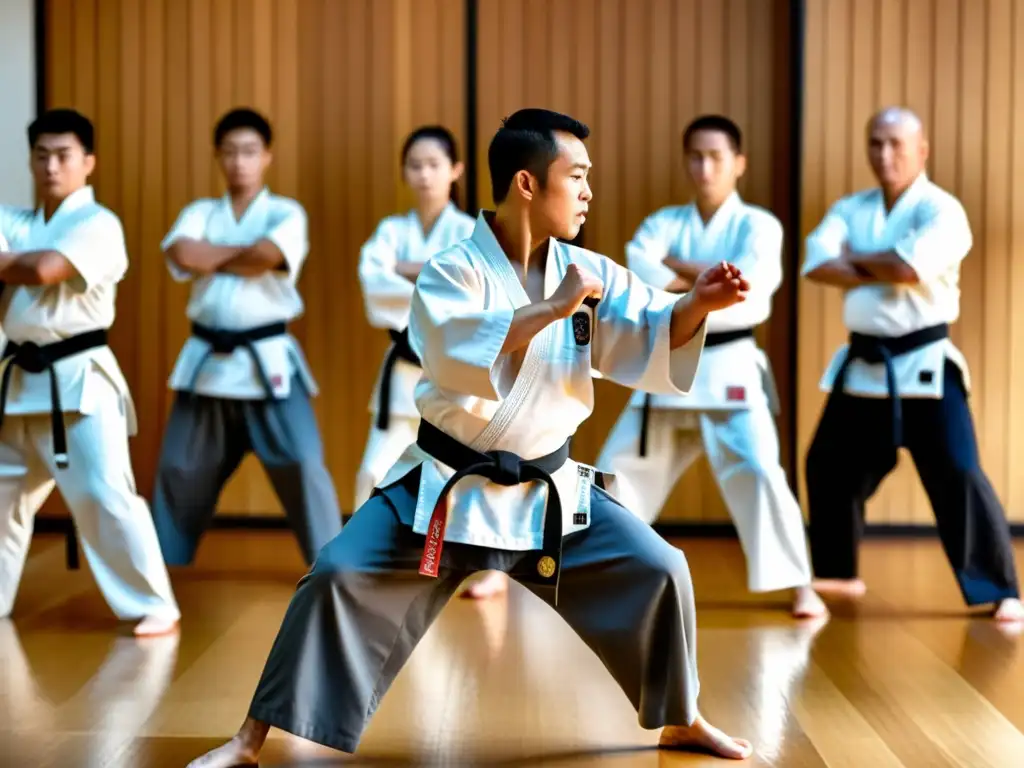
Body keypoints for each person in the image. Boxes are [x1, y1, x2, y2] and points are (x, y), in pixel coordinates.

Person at [186, 108, 754, 767]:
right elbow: (459, 353)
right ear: (527, 184)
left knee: (662, 568)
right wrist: (554, 306)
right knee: (334, 576)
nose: (589, 191)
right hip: (444, 489)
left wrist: (696, 307)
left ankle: (681, 718)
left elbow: (652, 331)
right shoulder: (450, 271)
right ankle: (248, 739)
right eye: (577, 176)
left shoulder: (588, 272)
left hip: (549, 494)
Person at [595, 115, 824, 619]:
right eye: (695, 156)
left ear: (738, 163)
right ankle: (590, 569)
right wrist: (707, 281)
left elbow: (748, 288)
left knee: (761, 471)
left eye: (716, 157)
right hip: (666, 362)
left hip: (730, 364)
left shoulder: (759, 225)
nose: (704, 167)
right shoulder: (661, 223)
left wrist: (681, 273)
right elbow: (644, 282)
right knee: (615, 472)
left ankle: (799, 584)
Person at [802, 106, 1023, 623]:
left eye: (896, 144)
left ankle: (999, 587)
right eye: (876, 143)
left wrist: (858, 259)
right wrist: (884, 261)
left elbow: (908, 269)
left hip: (926, 360)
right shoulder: (850, 208)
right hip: (864, 361)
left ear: (921, 150)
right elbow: (816, 264)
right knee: (828, 465)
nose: (885, 154)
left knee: (959, 471)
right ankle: (837, 570)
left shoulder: (943, 211)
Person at [0, 108, 179, 636]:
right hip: (17, 383)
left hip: (79, 380)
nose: (51, 165)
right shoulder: (18, 222)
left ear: (88, 162)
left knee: (103, 493)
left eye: (63, 155)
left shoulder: (99, 224)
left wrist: (15, 262)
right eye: (41, 155)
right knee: (2, 498)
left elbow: (42, 270)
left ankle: (155, 604)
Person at [152, 108, 341, 568]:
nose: (240, 161)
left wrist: (216, 255)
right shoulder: (199, 211)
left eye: (250, 152)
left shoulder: (285, 212)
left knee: (302, 461)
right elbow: (185, 254)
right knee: (178, 467)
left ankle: (331, 570)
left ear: (267, 157)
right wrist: (245, 254)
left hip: (268, 362)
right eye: (231, 151)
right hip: (206, 363)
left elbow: (267, 255)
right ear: (218, 155)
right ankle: (162, 569)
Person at [357, 126, 508, 601]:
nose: (424, 175)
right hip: (402, 371)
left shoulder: (470, 232)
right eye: (415, 165)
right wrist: (431, 275)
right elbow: (373, 286)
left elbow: (467, 293)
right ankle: (373, 558)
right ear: (404, 171)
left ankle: (493, 565)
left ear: (455, 171)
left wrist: (410, 270)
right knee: (374, 469)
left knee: (468, 477)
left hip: (454, 372)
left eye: (434, 165)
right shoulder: (391, 231)